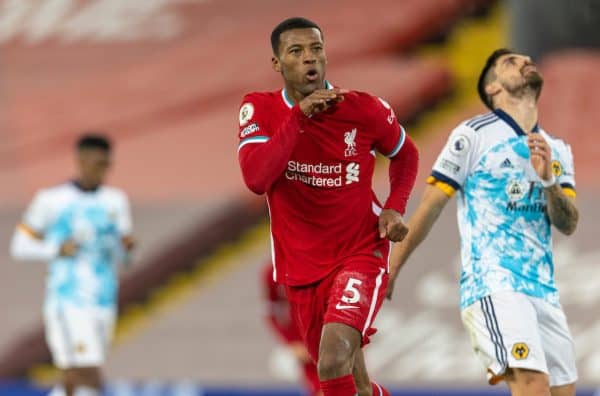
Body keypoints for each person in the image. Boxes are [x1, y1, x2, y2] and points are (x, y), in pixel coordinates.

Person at [237, 17, 419, 396]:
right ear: (277, 64)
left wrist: (394, 206)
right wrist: (299, 116)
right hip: (302, 267)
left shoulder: (363, 108)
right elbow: (256, 178)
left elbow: (406, 153)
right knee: (354, 384)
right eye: (296, 51)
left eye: (316, 49)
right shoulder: (259, 109)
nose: (310, 59)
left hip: (360, 250)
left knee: (333, 359)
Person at [386, 48, 578, 396]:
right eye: (510, 62)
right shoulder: (473, 135)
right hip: (494, 284)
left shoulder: (557, 149)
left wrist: (549, 181)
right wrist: (392, 267)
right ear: (492, 88)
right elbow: (430, 206)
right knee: (532, 385)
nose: (523, 62)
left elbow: (568, 223)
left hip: (544, 292)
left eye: (524, 60)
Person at [10, 134, 135, 396]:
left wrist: (126, 250)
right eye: (97, 163)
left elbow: (124, 260)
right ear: (80, 160)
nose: (102, 170)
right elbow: (19, 245)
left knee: (74, 378)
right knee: (87, 372)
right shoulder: (52, 200)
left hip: (103, 300)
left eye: (106, 164)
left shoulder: (116, 201)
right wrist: (56, 249)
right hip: (70, 299)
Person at [261, 262, 322, 396]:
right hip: (304, 341)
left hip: (326, 333)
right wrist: (290, 343)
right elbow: (271, 311)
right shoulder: (272, 272)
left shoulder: (316, 261)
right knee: (319, 387)